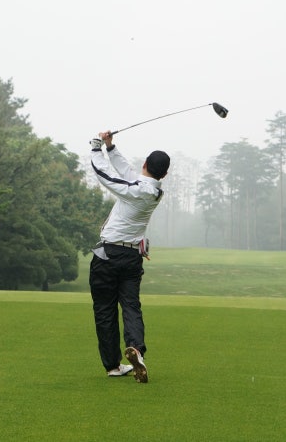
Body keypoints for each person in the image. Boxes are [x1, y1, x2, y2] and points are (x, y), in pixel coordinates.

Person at [88, 131, 170, 383]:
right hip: (132, 257)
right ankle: (136, 350)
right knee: (131, 306)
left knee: (105, 310)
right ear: (164, 174)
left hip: (108, 255)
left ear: (145, 163)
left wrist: (96, 149)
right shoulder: (153, 191)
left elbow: (106, 177)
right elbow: (127, 172)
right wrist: (111, 147)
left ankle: (113, 366)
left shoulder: (136, 190)